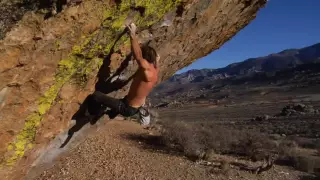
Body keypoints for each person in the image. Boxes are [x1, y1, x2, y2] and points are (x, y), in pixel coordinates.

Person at [92, 23, 159, 125]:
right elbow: (156, 65)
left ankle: (92, 114)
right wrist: (157, 60)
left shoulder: (147, 70)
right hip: (132, 105)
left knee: (95, 96)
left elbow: (138, 56)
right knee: (111, 112)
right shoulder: (155, 71)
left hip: (127, 107)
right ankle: (110, 113)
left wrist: (132, 34)